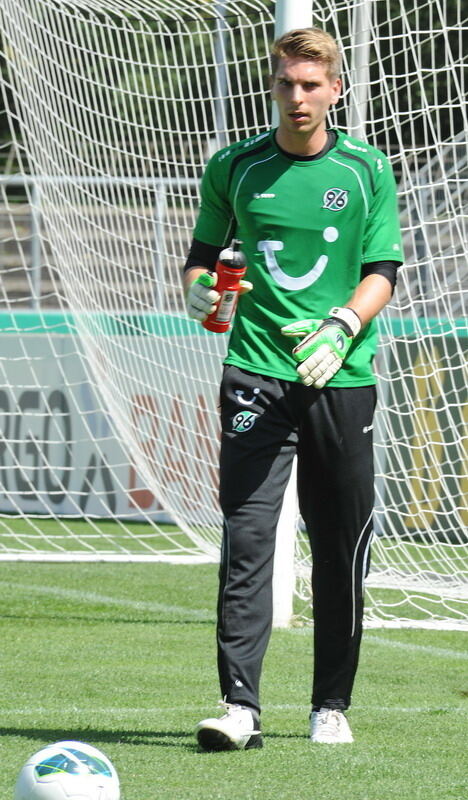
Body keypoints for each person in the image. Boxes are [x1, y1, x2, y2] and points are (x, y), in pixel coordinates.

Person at [183, 27, 402, 748]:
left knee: (340, 543)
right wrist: (199, 296)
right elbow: (202, 259)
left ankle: (329, 704)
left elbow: (382, 271)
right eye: (287, 84)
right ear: (272, 87)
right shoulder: (235, 167)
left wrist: (341, 326)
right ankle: (239, 707)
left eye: (312, 84)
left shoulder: (367, 169)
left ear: (335, 89)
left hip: (342, 377)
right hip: (255, 374)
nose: (298, 96)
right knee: (247, 536)